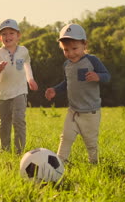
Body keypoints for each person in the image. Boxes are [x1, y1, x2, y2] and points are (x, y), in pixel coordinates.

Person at [45, 23, 110, 164]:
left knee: (90, 141)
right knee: (66, 136)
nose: (70, 53)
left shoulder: (92, 61)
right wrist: (55, 90)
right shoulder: (67, 65)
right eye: (66, 50)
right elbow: (67, 83)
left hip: (90, 112)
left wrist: (98, 76)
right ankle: (60, 161)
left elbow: (107, 75)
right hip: (73, 111)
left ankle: (93, 163)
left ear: (84, 44)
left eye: (74, 48)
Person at [0, 19, 38, 154]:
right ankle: (5, 150)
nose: (8, 36)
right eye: (4, 34)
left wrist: (30, 79)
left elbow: (27, 66)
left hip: (20, 92)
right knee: (4, 125)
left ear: (18, 35)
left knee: (19, 121)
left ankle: (19, 152)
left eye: (11, 33)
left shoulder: (23, 51)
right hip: (3, 95)